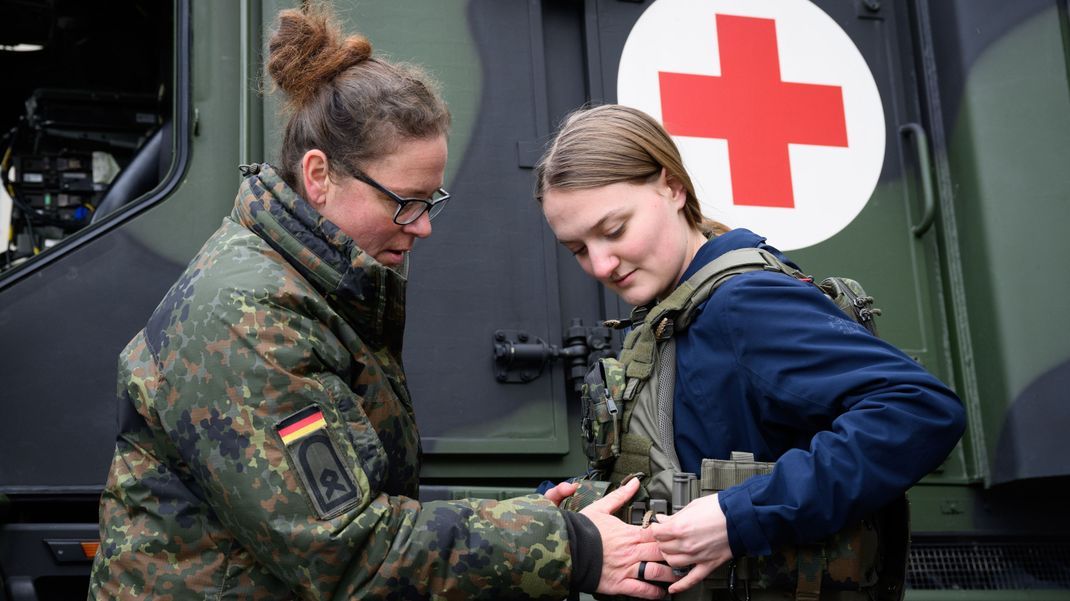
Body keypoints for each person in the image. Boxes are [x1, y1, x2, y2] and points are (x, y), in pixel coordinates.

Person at [87, 9, 672, 600]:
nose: (422, 228)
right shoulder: (250, 319)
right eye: (405, 202)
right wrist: (571, 546)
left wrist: (524, 522)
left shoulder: (311, 287)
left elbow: (361, 500)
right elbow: (348, 552)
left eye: (430, 202)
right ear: (319, 176)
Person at [535, 104, 967, 595]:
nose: (600, 263)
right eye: (577, 249)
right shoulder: (672, 314)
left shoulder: (743, 303)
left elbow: (921, 410)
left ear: (672, 186)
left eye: (614, 230)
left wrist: (737, 516)